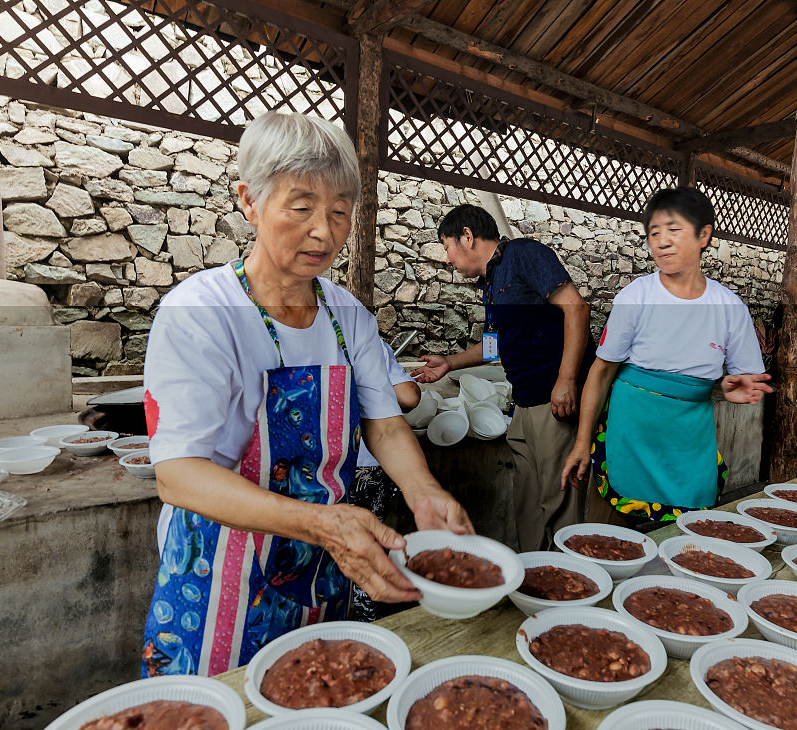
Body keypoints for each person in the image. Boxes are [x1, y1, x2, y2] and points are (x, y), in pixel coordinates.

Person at [139, 112, 471, 678]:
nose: (325, 231)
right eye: (302, 207)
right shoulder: (202, 311)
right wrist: (321, 524)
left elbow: (386, 423)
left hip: (324, 563)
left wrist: (423, 492)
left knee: (320, 708)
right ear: (250, 201)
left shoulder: (347, 317)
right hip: (220, 567)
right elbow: (177, 472)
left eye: (340, 211)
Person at [560, 187, 772, 528]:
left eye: (673, 230)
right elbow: (601, 373)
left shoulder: (729, 307)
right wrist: (582, 443)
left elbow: (745, 382)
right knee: (609, 538)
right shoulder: (636, 296)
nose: (661, 242)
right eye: (654, 233)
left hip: (689, 439)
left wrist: (727, 389)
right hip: (630, 432)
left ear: (704, 235)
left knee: (687, 541)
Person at [412, 205, 595, 552]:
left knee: (558, 501)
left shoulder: (525, 254)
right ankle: (529, 575)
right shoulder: (492, 282)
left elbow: (577, 308)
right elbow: (495, 345)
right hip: (523, 402)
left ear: (467, 236)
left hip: (552, 401)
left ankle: (564, 586)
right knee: (528, 501)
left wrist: (567, 380)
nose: (448, 259)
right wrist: (449, 363)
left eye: (447, 246)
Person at [349, 339, 421, 622]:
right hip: (368, 468)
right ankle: (366, 621)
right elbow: (409, 396)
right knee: (367, 549)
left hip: (322, 471)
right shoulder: (366, 342)